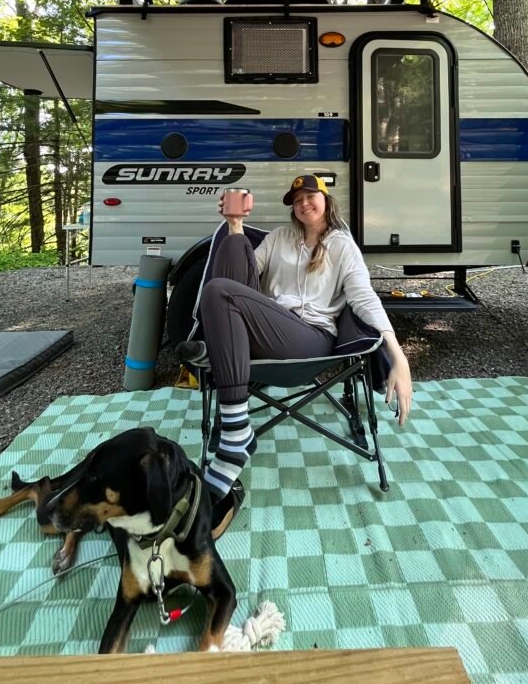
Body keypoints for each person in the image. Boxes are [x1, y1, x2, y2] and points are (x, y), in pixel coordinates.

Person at [177, 174, 413, 534]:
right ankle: (232, 398)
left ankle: (235, 427)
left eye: (311, 196)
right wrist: (235, 225)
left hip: (312, 340)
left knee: (218, 291)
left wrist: (399, 356)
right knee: (229, 250)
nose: (304, 203)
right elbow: (243, 277)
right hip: (268, 329)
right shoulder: (278, 238)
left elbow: (364, 298)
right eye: (297, 199)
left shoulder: (342, 245)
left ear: (326, 200)